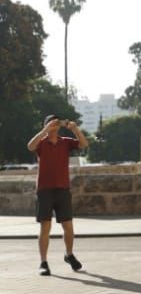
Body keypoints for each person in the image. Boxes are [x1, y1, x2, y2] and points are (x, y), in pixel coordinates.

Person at [27, 116, 89, 274]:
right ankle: (44, 263)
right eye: (51, 123)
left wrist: (75, 129)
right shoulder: (41, 143)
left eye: (56, 123)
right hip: (44, 190)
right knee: (45, 227)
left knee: (68, 226)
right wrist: (45, 130)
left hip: (62, 189)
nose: (55, 125)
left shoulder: (65, 142)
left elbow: (84, 144)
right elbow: (30, 146)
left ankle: (69, 254)